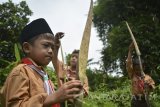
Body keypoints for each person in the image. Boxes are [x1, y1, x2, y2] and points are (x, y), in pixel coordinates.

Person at [0, 18, 83, 107]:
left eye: (52, 47)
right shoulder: (21, 72)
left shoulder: (44, 75)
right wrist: (54, 97)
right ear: (27, 48)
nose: (51, 51)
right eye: (46, 45)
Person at [52, 34, 89, 106]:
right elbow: (54, 59)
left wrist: (76, 86)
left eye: (76, 57)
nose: (74, 58)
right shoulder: (63, 68)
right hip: (59, 102)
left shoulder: (83, 76)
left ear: (81, 61)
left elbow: (85, 92)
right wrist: (56, 45)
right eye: (72, 56)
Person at [126, 42, 155, 107]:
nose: (138, 71)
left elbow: (153, 88)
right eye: (136, 69)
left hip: (145, 101)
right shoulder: (132, 75)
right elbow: (128, 64)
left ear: (143, 67)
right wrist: (130, 50)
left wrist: (149, 86)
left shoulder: (147, 77)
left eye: (139, 69)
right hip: (135, 101)